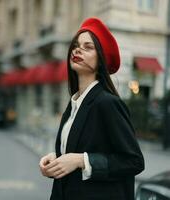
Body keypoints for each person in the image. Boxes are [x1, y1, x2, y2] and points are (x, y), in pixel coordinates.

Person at [39, 17, 144, 200]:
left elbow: (133, 161)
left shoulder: (107, 103)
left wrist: (80, 160)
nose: (77, 49)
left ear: (101, 58)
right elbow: (88, 147)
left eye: (88, 47)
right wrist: (58, 159)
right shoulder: (74, 104)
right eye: (75, 45)